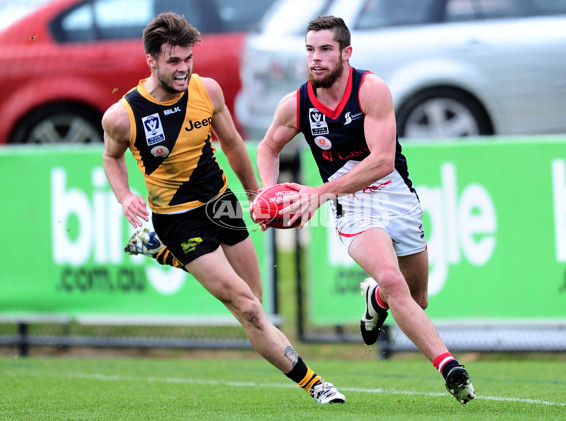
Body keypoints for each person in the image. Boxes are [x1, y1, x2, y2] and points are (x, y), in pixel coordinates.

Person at [102, 12, 344, 405]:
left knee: (257, 303)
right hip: (178, 219)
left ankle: (161, 251)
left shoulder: (208, 91)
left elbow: (232, 144)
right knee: (247, 309)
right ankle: (316, 384)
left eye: (187, 60)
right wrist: (125, 195)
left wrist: (256, 195)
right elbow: (110, 158)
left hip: (223, 205)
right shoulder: (122, 116)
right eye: (173, 62)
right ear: (151, 61)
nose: (183, 69)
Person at [253, 15, 476, 405]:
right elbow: (268, 147)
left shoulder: (371, 90)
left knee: (416, 298)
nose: (315, 59)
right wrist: (268, 195)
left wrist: (319, 192)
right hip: (352, 205)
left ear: (346, 52)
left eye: (325, 50)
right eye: (309, 50)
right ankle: (450, 367)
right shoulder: (297, 104)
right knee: (392, 279)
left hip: (393, 195)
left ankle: (376, 301)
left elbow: (382, 161)